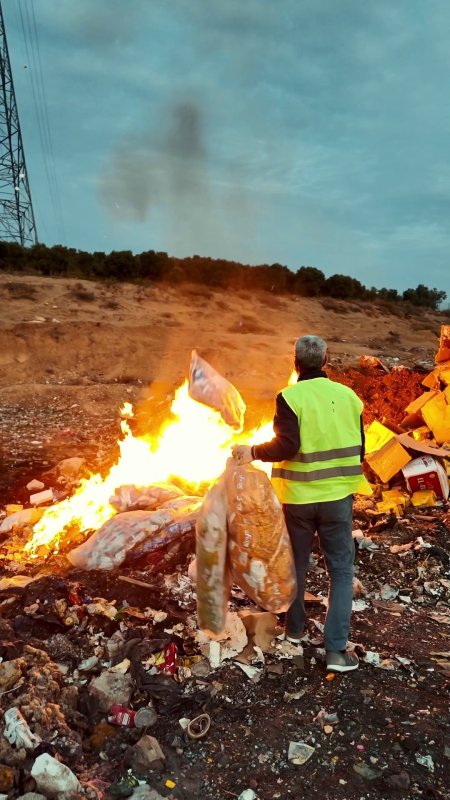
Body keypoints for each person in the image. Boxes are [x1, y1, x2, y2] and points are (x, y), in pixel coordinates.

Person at [232, 335, 371, 673]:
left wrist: (251, 451)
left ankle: (294, 631)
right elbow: (360, 448)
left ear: (296, 364)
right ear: (326, 362)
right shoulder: (349, 397)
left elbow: (286, 446)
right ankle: (336, 652)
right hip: (338, 499)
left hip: (299, 501)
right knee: (340, 571)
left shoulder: (290, 397)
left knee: (296, 564)